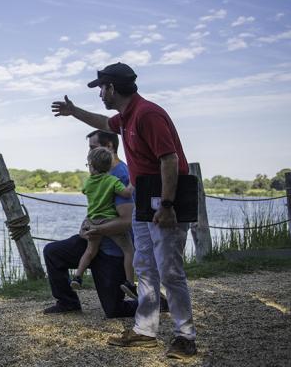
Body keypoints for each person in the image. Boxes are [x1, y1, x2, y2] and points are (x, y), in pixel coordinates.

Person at [52, 62, 197, 359]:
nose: (100, 94)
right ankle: (145, 330)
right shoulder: (126, 117)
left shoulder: (147, 114)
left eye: (101, 88)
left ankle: (186, 335)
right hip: (145, 194)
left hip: (164, 196)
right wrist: (74, 111)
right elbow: (105, 123)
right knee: (144, 264)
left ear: (112, 88)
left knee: (169, 269)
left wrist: (168, 205)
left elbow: (169, 160)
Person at [42, 130, 138, 319]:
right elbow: (97, 208)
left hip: (113, 250)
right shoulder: (98, 176)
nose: (89, 154)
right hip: (93, 239)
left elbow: (127, 222)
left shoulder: (121, 176)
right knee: (52, 252)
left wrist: (97, 229)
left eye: (93, 148)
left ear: (109, 146)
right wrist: (85, 227)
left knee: (114, 310)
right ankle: (67, 302)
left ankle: (154, 301)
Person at [70, 147, 136, 299]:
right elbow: (126, 193)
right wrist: (132, 182)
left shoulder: (88, 183)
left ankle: (77, 277)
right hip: (109, 221)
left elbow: (84, 191)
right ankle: (129, 283)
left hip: (92, 221)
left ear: (92, 165)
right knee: (128, 250)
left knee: (90, 251)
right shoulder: (113, 181)